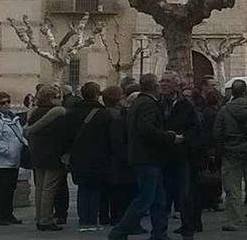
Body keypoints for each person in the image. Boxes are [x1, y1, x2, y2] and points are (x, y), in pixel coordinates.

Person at [109, 73, 184, 240]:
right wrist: (170, 137)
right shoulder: (148, 104)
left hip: (146, 157)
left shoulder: (138, 102)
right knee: (145, 199)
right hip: (147, 158)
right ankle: (119, 231)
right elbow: (147, 129)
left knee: (158, 199)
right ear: (155, 86)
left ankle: (159, 233)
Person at [214, 79, 247, 231]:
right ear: (245, 91)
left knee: (233, 189)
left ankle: (235, 221)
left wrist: (221, 149)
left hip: (231, 153)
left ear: (233, 93)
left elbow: (217, 133)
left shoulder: (224, 110)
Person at [160, 71, 200, 238]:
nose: (163, 84)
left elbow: (195, 128)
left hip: (181, 155)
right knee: (162, 195)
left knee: (184, 194)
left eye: (167, 81)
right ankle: (160, 229)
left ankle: (187, 226)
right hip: (161, 155)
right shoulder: (157, 104)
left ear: (176, 85)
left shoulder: (185, 105)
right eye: (162, 81)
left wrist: (183, 137)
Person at [68, 82, 112, 232]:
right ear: (97, 94)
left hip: (78, 155)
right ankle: (92, 220)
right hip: (98, 156)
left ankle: (83, 220)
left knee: (82, 188)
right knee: (94, 189)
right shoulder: (103, 113)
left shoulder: (72, 112)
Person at [24, 85, 68, 231]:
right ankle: (46, 219)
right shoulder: (57, 114)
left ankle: (39, 216)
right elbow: (62, 136)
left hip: (37, 154)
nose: (59, 100)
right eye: (57, 97)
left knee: (40, 188)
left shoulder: (34, 113)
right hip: (53, 155)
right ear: (51, 98)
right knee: (49, 189)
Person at [0, 91, 25, 225]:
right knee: (1, 190)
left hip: (14, 162)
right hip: (0, 163)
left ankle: (8, 214)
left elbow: (19, 136)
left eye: (8, 102)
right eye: (3, 103)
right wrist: (8, 151)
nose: (6, 105)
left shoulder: (13, 119)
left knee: (10, 189)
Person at [103, 85, 135, 226]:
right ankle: (120, 220)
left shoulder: (110, 114)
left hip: (113, 159)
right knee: (121, 191)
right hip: (119, 160)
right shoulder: (117, 117)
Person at [55, 84, 81, 225]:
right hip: (69, 151)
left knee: (58, 185)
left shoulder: (61, 111)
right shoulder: (75, 105)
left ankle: (59, 213)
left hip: (60, 152)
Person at [199, 89, 224, 212]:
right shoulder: (213, 113)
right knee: (214, 176)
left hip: (210, 148)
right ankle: (213, 200)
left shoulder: (206, 112)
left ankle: (209, 201)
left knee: (211, 175)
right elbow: (212, 133)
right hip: (213, 149)